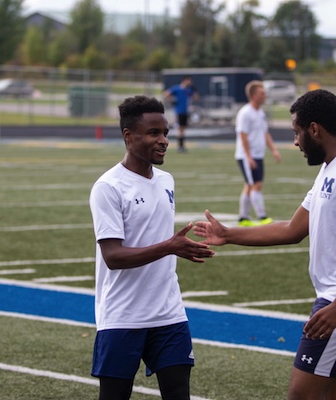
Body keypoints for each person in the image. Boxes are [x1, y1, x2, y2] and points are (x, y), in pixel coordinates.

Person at [194, 89, 336, 400]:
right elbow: (293, 228)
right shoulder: (332, 167)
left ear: (314, 129)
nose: (296, 142)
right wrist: (229, 235)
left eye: (297, 132)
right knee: (332, 396)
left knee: (301, 395)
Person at [89, 95, 215, 400]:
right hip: (122, 314)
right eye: (153, 133)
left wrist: (175, 246)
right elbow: (113, 256)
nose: (163, 141)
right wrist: (170, 246)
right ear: (128, 137)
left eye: (166, 133)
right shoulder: (108, 187)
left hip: (168, 312)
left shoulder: (166, 180)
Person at [235, 80, 281, 227]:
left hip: (258, 155)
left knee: (250, 185)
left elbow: (265, 133)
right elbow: (242, 135)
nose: (265, 96)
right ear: (254, 95)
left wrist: (273, 149)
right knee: (256, 184)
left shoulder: (260, 113)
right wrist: (248, 157)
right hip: (247, 156)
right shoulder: (245, 113)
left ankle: (243, 218)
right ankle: (262, 217)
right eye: (262, 93)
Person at [163, 75, 198, 152]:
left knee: (183, 129)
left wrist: (194, 90)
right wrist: (172, 101)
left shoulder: (188, 90)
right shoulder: (177, 88)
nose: (190, 82)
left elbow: (196, 98)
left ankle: (182, 146)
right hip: (179, 111)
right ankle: (180, 146)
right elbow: (166, 93)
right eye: (189, 80)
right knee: (180, 129)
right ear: (185, 80)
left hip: (185, 111)